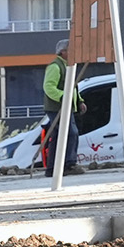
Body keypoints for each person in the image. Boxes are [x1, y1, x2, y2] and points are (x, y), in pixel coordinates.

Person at [39, 40, 77, 175]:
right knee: (70, 133)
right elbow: (49, 87)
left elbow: (72, 87)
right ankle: (68, 164)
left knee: (59, 135)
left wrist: (79, 101)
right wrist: (63, 97)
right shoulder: (55, 67)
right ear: (63, 52)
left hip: (64, 106)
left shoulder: (67, 66)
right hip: (57, 107)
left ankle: (53, 168)